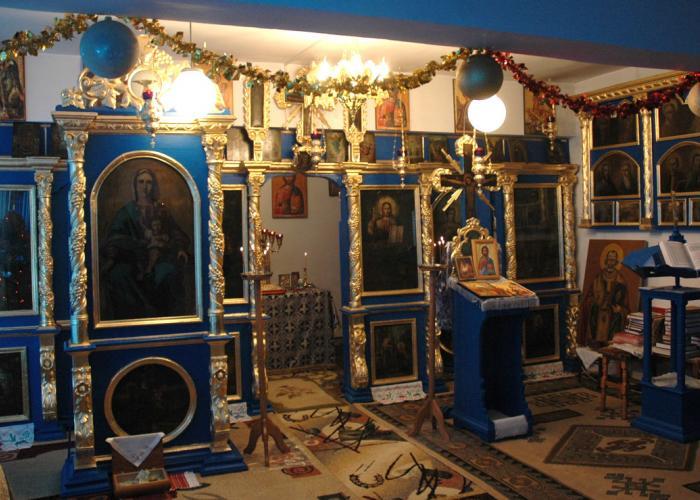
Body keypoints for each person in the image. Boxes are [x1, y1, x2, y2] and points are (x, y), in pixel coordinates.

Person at [101, 168, 191, 320]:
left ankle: (169, 321)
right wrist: (139, 243)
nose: (144, 186)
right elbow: (114, 238)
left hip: (160, 258)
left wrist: (180, 247)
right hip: (132, 258)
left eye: (149, 182)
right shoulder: (126, 212)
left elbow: (176, 233)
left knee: (169, 273)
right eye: (141, 182)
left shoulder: (161, 210)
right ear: (135, 185)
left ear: (153, 186)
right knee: (119, 275)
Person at [583, 249, 630, 346]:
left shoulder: (620, 279)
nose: (610, 262)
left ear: (616, 261)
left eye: (613, 260)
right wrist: (594, 302)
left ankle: (610, 343)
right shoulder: (598, 278)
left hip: (612, 315)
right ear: (605, 260)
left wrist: (620, 309)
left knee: (616, 318)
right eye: (609, 259)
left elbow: (625, 305)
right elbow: (589, 297)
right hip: (598, 313)